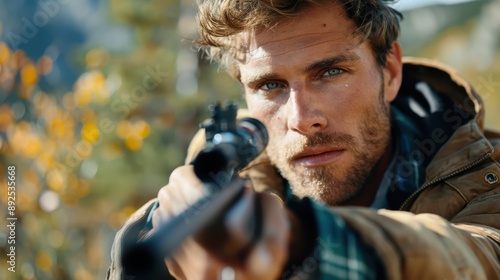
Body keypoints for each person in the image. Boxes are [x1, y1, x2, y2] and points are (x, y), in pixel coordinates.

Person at [107, 0, 500, 279]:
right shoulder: (198, 200)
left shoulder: (487, 177)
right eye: (270, 85)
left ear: (391, 72)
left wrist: (297, 242)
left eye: (330, 73)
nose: (301, 119)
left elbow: (477, 258)